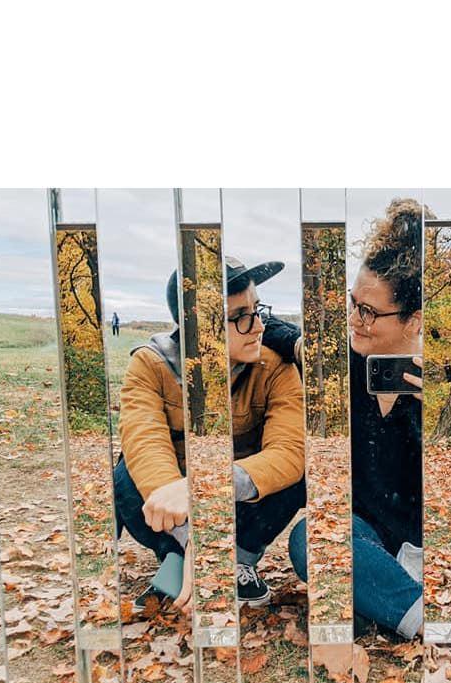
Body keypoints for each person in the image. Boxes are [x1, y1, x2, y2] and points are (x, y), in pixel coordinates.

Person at [265, 198, 451, 653]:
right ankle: (440, 627)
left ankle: (380, 596)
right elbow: (278, 330)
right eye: (353, 303)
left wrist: (445, 415)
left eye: (369, 312)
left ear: (415, 319)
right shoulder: (340, 367)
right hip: (370, 536)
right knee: (309, 537)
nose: (354, 320)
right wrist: (300, 345)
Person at [113, 257, 306, 610]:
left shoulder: (275, 366)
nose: (259, 326)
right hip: (176, 516)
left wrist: (205, 487)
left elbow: (289, 451)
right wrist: (193, 538)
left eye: (257, 310)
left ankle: (239, 559)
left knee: (296, 471)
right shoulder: (149, 364)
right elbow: (144, 442)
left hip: (241, 503)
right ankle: (177, 557)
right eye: (241, 316)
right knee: (127, 470)